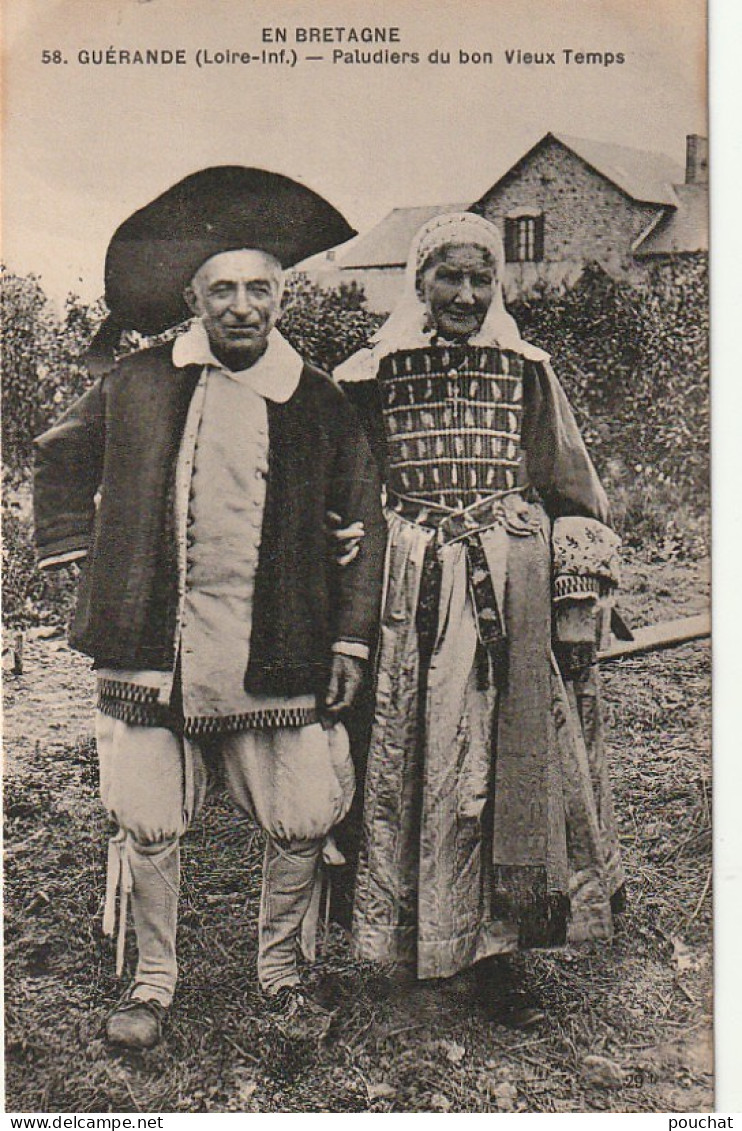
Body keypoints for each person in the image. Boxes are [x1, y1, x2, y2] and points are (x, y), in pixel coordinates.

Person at [33, 167, 386, 1050]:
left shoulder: (317, 400)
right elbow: (61, 453)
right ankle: (151, 984)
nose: (241, 307)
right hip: (152, 646)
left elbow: (361, 517)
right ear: (194, 298)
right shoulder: (140, 381)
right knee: (147, 817)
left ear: (281, 295)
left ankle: (281, 975)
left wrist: (347, 635)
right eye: (221, 289)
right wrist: (77, 549)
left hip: (278, 646)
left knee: (305, 809)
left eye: (258, 288)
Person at [335, 212, 624, 1021]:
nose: (465, 294)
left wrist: (574, 598)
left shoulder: (527, 370)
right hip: (406, 596)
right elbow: (341, 491)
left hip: (509, 591)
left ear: (497, 285)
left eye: (481, 279)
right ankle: (414, 956)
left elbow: (574, 491)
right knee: (410, 763)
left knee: (502, 772)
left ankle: (499, 958)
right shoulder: (367, 376)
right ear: (418, 279)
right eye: (448, 277)